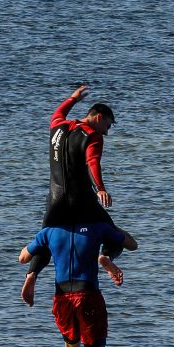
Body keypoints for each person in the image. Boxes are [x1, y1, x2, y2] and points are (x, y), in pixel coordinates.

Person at [21, 84, 122, 308]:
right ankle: (105, 257)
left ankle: (31, 275)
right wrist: (101, 188)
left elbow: (57, 114)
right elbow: (92, 162)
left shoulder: (57, 127)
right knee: (115, 236)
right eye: (107, 125)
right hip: (82, 201)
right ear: (98, 117)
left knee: (47, 240)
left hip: (55, 200)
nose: (106, 131)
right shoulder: (93, 135)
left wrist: (73, 98)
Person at [19, 218, 138, 347]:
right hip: (88, 294)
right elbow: (132, 244)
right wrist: (109, 222)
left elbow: (22, 258)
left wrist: (42, 241)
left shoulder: (49, 231)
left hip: (62, 297)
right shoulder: (98, 226)